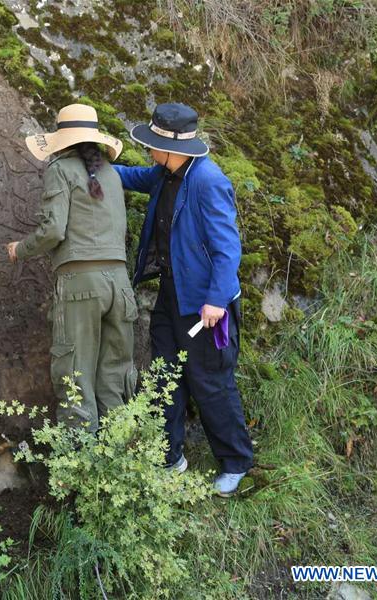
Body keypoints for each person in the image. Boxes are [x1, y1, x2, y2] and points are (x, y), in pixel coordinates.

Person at [113, 103, 253, 497]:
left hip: (206, 304)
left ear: (170, 148)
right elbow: (131, 176)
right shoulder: (164, 173)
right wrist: (93, 165)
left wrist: (216, 300)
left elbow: (228, 248)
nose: (148, 150)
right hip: (171, 294)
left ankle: (236, 461)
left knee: (210, 381)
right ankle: (170, 456)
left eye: (152, 145)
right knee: (165, 375)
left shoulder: (208, 181)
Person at [6, 103, 138, 433]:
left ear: (61, 139)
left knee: (74, 372)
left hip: (80, 283)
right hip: (120, 285)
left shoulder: (61, 169)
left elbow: (54, 230)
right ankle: (120, 452)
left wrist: (20, 249)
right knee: (115, 375)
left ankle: (80, 458)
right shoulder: (111, 173)